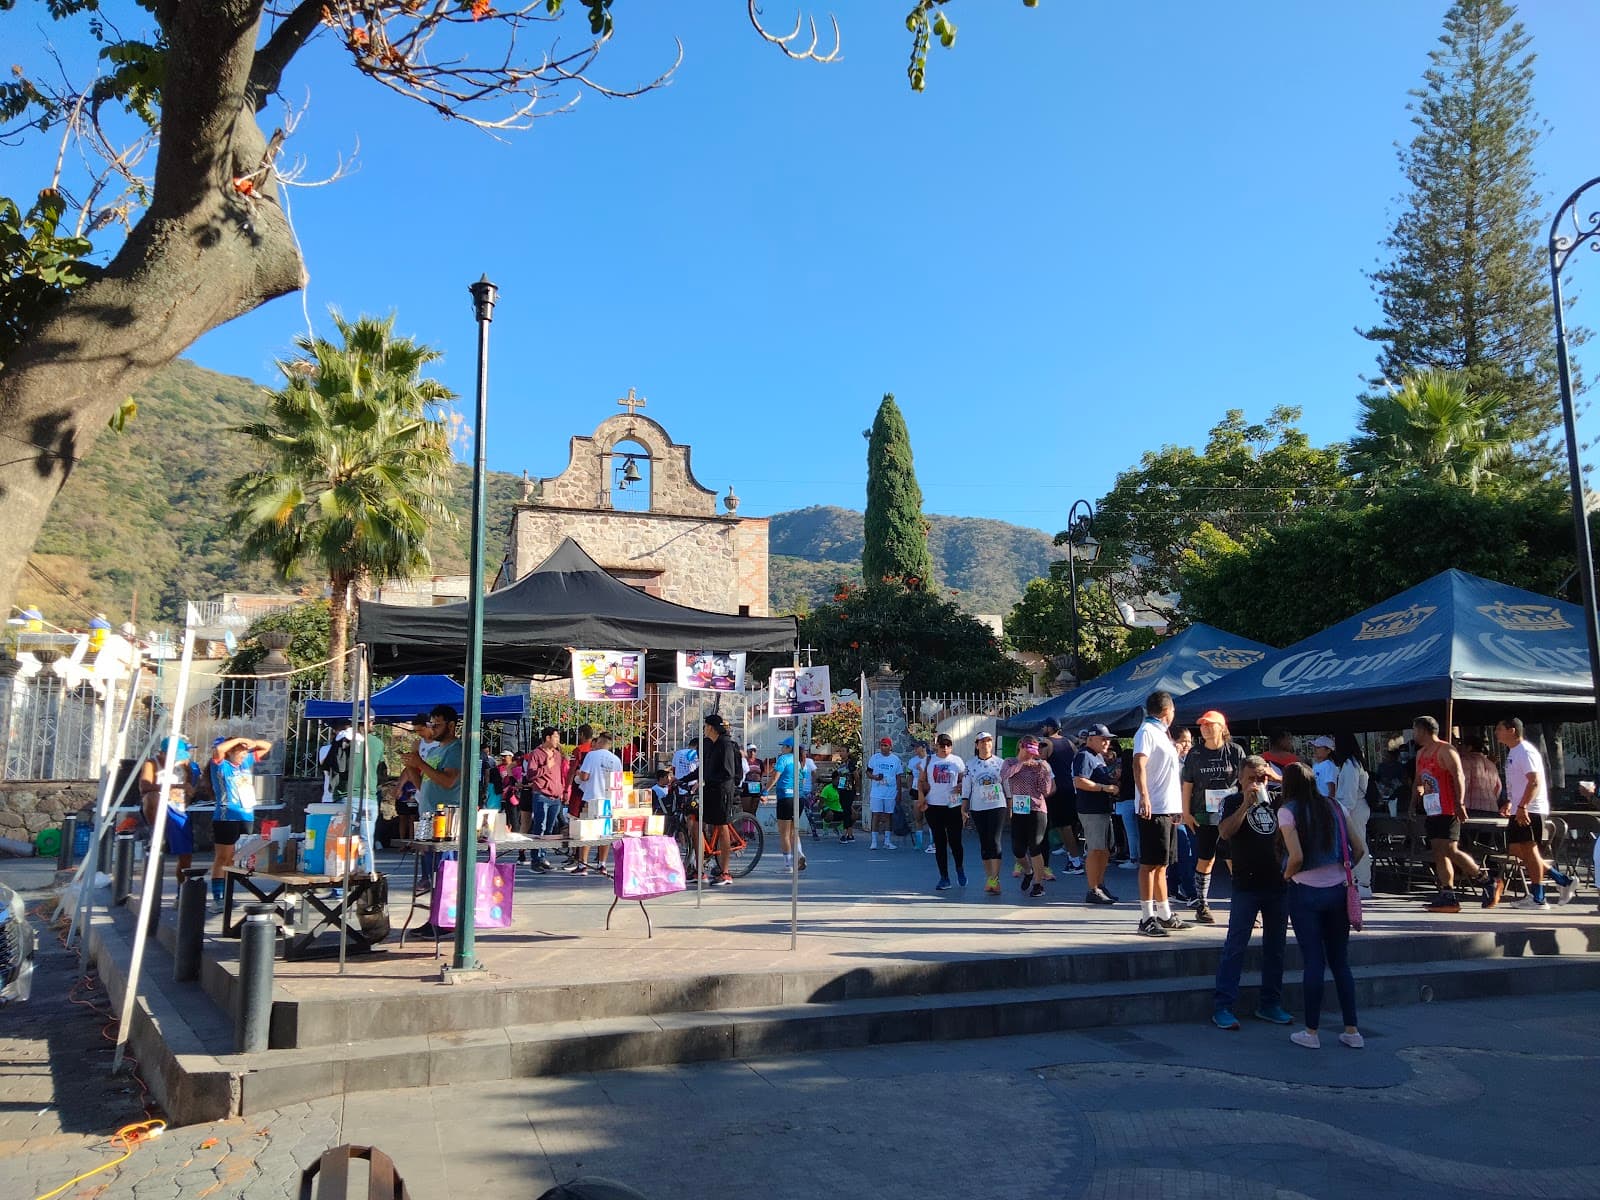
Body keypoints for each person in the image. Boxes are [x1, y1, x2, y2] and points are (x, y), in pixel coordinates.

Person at [1280, 761, 1366, 1049]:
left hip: (1305, 892)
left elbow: (1296, 857)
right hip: (1338, 890)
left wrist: (1287, 876)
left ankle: (1311, 1032)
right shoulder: (1334, 806)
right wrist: (1344, 868)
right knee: (1340, 961)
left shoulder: (1287, 811)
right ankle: (1352, 1030)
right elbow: (1360, 848)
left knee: (1313, 962)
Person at [1211, 755, 1293, 1031]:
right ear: (1241, 779)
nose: (1258, 784)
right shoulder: (1233, 801)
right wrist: (1246, 803)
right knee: (1236, 946)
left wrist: (1279, 778)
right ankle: (1223, 1005)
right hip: (1246, 885)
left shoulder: (1280, 801)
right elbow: (1224, 833)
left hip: (1277, 883)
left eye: (1263, 778)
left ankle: (1270, 1003)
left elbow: (1311, 791)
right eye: (1252, 779)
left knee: (1276, 948)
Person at [1489, 718, 1578, 908]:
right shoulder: (1514, 752)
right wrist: (1512, 802)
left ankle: (1539, 897)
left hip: (1530, 810)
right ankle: (1561, 880)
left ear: (1512, 730)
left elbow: (1534, 781)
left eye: (1499, 728)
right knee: (1516, 850)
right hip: (1520, 808)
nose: (1496, 732)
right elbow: (1521, 782)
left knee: (1529, 850)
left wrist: (1523, 807)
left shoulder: (1525, 751)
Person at [1411, 715, 1490, 913]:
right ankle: (1448, 894)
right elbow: (1418, 780)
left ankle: (1486, 880)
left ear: (1423, 730)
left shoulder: (1445, 750)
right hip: (1432, 809)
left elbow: (1458, 775)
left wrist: (1460, 802)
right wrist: (1414, 802)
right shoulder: (1421, 754)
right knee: (1438, 851)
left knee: (1450, 849)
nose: (1413, 734)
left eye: (1415, 730)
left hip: (1448, 808)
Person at [1179, 710, 1246, 925]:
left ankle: (1243, 907)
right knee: (1206, 858)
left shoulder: (1235, 751)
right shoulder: (1195, 753)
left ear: (1222, 727)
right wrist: (1186, 812)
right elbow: (1187, 784)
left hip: (1231, 815)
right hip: (1203, 815)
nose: (1205, 728)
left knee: (1235, 859)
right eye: (1202, 725)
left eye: (1210, 725)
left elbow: (1244, 779)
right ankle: (1202, 905)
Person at [1132, 690, 1185, 937]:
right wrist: (1144, 796)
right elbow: (1139, 763)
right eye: (1173, 711)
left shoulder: (1163, 734)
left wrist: (1177, 808)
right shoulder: (1146, 732)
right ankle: (1146, 917)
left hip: (1167, 807)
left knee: (1162, 864)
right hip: (1153, 808)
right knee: (1149, 864)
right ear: (1167, 711)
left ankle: (1164, 914)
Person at [208, 733, 273, 913]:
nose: (245, 754)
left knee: (238, 858)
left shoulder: (244, 764)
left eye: (245, 752)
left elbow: (266, 746)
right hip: (227, 816)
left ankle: (228, 892)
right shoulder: (221, 765)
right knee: (224, 857)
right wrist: (236, 741)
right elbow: (218, 750)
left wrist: (249, 743)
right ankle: (218, 897)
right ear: (230, 752)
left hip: (246, 815)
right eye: (240, 752)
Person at [318, 718, 385, 876]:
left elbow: (330, 765)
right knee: (367, 840)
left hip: (347, 796)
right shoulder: (378, 743)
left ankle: (341, 885)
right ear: (370, 723)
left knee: (344, 840)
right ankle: (368, 878)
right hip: (370, 799)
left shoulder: (344, 739)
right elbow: (382, 771)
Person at [139, 736, 197, 886]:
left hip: (178, 808)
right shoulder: (152, 764)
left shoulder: (184, 766)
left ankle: (182, 889)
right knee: (152, 797)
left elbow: (191, 784)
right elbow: (144, 787)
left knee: (185, 855)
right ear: (162, 754)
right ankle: (156, 833)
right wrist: (176, 786)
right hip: (158, 807)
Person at [1073, 725, 1120, 905]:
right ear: (1091, 739)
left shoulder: (1097, 756)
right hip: (1091, 810)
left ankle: (1100, 885)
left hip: (1102, 808)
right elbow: (1079, 781)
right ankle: (1093, 889)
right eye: (1103, 738)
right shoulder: (1084, 755)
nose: (1107, 742)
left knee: (1104, 850)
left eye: (1108, 739)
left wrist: (1112, 782)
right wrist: (1104, 787)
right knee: (1095, 849)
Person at [1002, 736, 1053, 898]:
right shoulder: (1010, 762)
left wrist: (1043, 771)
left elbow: (1046, 790)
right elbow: (1004, 775)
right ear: (1021, 747)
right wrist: (1022, 764)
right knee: (1017, 850)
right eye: (1028, 752)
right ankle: (1028, 871)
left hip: (1037, 809)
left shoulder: (1038, 765)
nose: (1031, 756)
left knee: (1035, 846)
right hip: (1019, 810)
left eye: (1034, 753)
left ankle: (1038, 884)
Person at [917, 732, 966, 890]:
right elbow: (921, 781)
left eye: (948, 745)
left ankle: (959, 868)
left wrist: (961, 787)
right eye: (942, 745)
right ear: (936, 745)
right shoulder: (929, 760)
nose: (945, 748)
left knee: (955, 841)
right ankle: (944, 877)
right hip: (934, 805)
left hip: (953, 805)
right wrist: (921, 799)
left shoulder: (957, 761)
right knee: (940, 842)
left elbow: (964, 779)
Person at [960, 731, 1007, 894]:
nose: (985, 744)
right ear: (977, 745)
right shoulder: (970, 764)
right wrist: (964, 806)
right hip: (978, 807)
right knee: (985, 843)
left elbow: (1006, 785)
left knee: (995, 840)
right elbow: (966, 787)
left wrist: (1011, 803)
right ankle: (990, 878)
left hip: (997, 805)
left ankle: (996, 878)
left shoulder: (1001, 763)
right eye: (982, 741)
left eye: (988, 741)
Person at [572, 731, 623, 876]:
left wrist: (577, 775)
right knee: (605, 833)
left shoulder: (591, 755)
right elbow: (618, 783)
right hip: (609, 800)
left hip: (592, 798)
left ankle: (583, 865)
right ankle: (602, 864)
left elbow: (585, 776)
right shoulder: (616, 760)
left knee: (587, 832)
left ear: (599, 742)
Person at [1332, 732, 1374, 900]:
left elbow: (1349, 794)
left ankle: (1363, 882)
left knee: (1359, 845)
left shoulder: (1350, 765)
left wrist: (1342, 813)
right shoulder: (1351, 764)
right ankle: (1356, 880)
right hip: (1353, 808)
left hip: (1353, 809)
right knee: (1354, 845)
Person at [700, 713, 741, 886]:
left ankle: (725, 872)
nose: (703, 729)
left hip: (723, 791)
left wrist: (708, 780)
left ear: (710, 727)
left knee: (722, 826)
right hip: (711, 790)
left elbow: (728, 773)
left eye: (705, 726)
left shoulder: (725, 744)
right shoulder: (712, 744)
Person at [1041, 720, 1085, 877]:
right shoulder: (1069, 742)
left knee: (1060, 826)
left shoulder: (1046, 743)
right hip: (1070, 787)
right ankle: (1073, 858)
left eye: (1044, 726)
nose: (1042, 728)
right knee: (1066, 826)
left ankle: (1075, 861)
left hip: (1055, 789)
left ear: (1050, 727)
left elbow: (1040, 763)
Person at [524, 725, 567, 872]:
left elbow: (560, 774)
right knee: (539, 827)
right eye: (555, 737)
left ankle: (543, 857)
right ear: (548, 738)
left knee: (549, 829)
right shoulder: (536, 754)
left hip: (556, 797)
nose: (557, 740)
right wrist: (546, 767)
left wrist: (563, 790)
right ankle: (535, 860)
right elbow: (530, 775)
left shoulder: (557, 754)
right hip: (541, 795)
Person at [1168, 724, 1198, 903]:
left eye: (1189, 741)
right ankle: (1191, 892)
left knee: (1179, 852)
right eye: (1183, 741)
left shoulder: (1190, 761)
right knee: (1184, 850)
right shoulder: (1171, 761)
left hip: (1189, 811)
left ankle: (1172, 889)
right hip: (1174, 811)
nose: (1187, 744)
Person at [768, 736, 806, 873]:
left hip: (785, 798)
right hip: (799, 798)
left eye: (783, 746)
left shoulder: (784, 759)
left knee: (784, 833)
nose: (781, 749)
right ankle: (800, 854)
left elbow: (775, 777)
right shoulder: (802, 762)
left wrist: (765, 791)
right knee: (794, 830)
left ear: (789, 748)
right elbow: (802, 782)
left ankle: (788, 864)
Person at [866, 737, 903, 850]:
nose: (883, 747)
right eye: (881, 745)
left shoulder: (895, 759)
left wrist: (899, 792)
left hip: (890, 792)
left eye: (885, 745)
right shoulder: (874, 758)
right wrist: (875, 777)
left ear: (890, 747)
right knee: (876, 815)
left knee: (888, 816)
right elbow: (868, 772)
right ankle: (874, 841)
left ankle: (887, 841)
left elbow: (898, 777)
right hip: (877, 792)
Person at [1460, 734, 1504, 816]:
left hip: (1472, 808)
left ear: (1469, 747)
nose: (1459, 748)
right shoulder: (1491, 764)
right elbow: (1499, 787)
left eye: (1461, 745)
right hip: (1492, 808)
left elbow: (1463, 784)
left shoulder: (1465, 761)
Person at [1112, 739, 1139, 870]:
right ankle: (1140, 857)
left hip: (1126, 803)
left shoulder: (1122, 774)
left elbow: (1117, 788)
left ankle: (1133, 858)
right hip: (1137, 802)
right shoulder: (1137, 772)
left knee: (1130, 833)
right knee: (1138, 833)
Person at [906, 740, 932, 851]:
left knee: (931, 818)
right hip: (916, 789)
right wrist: (910, 788)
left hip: (928, 789)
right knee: (918, 817)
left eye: (917, 747)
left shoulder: (931, 759)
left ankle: (933, 842)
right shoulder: (912, 761)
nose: (915, 749)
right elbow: (909, 775)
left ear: (923, 747)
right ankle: (919, 843)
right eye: (914, 747)